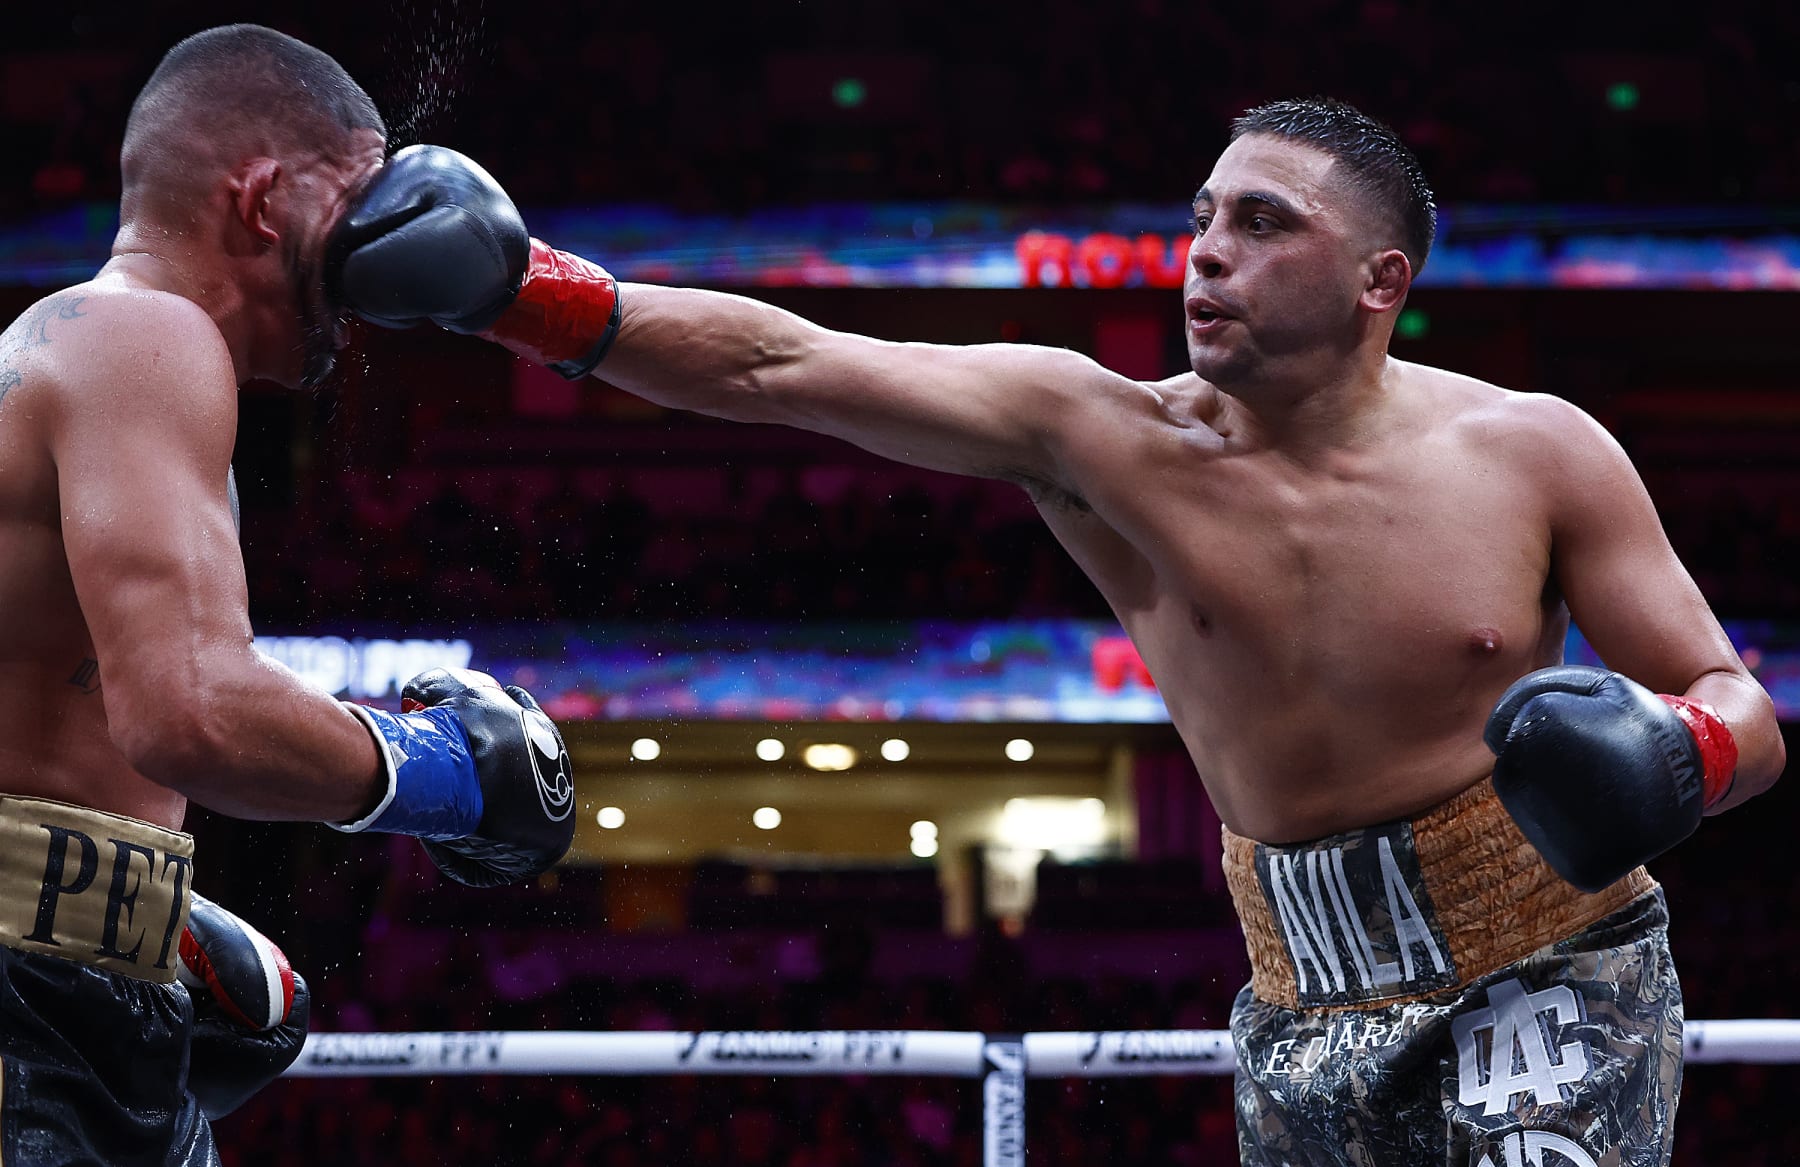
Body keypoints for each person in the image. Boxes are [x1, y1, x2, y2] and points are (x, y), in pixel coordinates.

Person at [331, 98, 1784, 1164]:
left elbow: (1740, 701)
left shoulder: (1536, 451)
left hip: (1547, 963)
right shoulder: (1104, 437)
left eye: (1262, 224)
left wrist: (1681, 749)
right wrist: (523, 294)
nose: (1207, 254)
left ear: (1378, 285)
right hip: (1302, 996)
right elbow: (788, 362)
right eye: (1203, 219)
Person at [0, 25, 576, 1166]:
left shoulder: (104, 356)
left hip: (64, 989)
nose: (374, 253)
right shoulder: (139, 334)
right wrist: (450, 770)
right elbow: (189, 712)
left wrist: (142, 922)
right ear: (262, 200)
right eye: (355, 200)